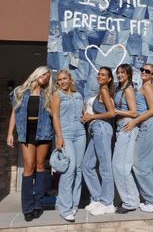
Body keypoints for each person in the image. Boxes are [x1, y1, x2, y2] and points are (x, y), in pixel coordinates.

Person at [6, 66, 53, 222]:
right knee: (29, 167)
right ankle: (27, 206)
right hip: (27, 132)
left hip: (44, 131)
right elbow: (14, 112)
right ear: (37, 74)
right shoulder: (19, 91)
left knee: (40, 166)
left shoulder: (48, 94)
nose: (46, 77)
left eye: (48, 76)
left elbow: (54, 113)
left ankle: (38, 204)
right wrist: (9, 133)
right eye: (44, 74)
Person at [123, 64, 153, 213]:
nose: (144, 72)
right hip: (152, 127)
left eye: (148, 71)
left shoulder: (147, 86)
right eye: (142, 70)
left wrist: (134, 121)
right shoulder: (144, 86)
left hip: (149, 126)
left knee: (139, 165)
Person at [51, 69, 86, 222]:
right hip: (65, 133)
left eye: (65, 78)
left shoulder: (78, 95)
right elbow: (55, 116)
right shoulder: (57, 95)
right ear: (57, 82)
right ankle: (64, 207)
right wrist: (59, 136)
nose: (63, 81)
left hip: (80, 133)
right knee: (69, 169)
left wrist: (85, 117)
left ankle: (73, 203)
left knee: (78, 169)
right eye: (59, 80)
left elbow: (84, 113)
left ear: (70, 79)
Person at [81, 67, 116, 216]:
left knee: (105, 166)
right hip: (95, 130)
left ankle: (107, 202)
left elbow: (111, 113)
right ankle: (97, 198)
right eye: (99, 74)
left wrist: (91, 117)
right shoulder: (100, 91)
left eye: (103, 75)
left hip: (101, 128)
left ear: (109, 79)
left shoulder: (104, 91)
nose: (99, 76)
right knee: (87, 165)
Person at [112, 64, 139, 214]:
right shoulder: (119, 88)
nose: (120, 74)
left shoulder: (128, 89)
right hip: (121, 128)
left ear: (128, 74)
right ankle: (132, 200)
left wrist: (114, 111)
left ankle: (130, 202)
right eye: (118, 72)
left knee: (121, 167)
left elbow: (134, 112)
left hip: (127, 128)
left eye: (123, 72)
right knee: (121, 167)